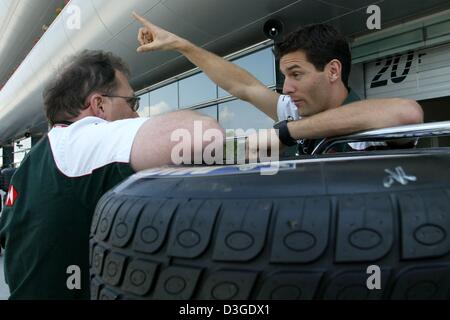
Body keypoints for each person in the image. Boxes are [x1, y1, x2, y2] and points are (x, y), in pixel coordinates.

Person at [0, 50, 223, 299]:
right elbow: (204, 134)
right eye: (131, 103)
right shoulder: (83, 137)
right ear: (100, 105)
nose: (135, 114)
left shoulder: (32, 163)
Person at [133, 13, 424, 154]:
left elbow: (407, 113)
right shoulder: (298, 110)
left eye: (296, 74)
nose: (286, 89)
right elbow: (242, 86)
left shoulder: (373, 124)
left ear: (333, 71)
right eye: (285, 76)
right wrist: (181, 45)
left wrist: (287, 133)